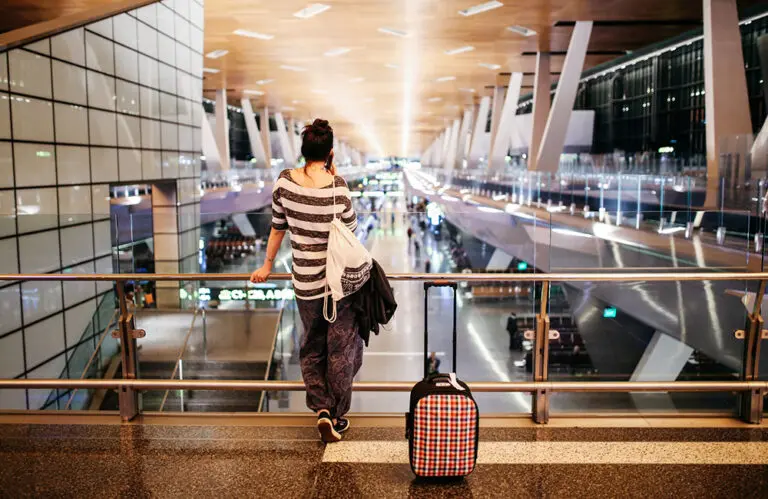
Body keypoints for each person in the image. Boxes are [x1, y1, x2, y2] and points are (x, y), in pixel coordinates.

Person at [250, 119, 362, 444]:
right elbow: (351, 230)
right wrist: (333, 173)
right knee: (342, 349)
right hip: (338, 286)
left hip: (306, 284)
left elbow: (277, 227)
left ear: (302, 151)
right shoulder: (338, 186)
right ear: (330, 152)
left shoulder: (284, 182)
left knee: (311, 346)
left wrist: (267, 265)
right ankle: (338, 416)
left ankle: (321, 410)